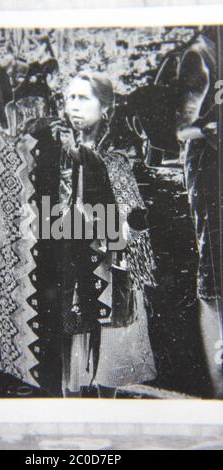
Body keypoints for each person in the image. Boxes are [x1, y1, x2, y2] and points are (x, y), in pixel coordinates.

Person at [31, 72, 157, 398]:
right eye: (70, 97)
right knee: (70, 352)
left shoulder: (115, 152)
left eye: (83, 98)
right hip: (68, 261)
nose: (74, 106)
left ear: (105, 107)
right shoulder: (58, 147)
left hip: (105, 261)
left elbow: (128, 211)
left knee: (107, 353)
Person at [176, 27, 223, 397]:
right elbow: (181, 129)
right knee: (214, 272)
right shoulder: (200, 55)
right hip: (211, 173)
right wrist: (212, 128)